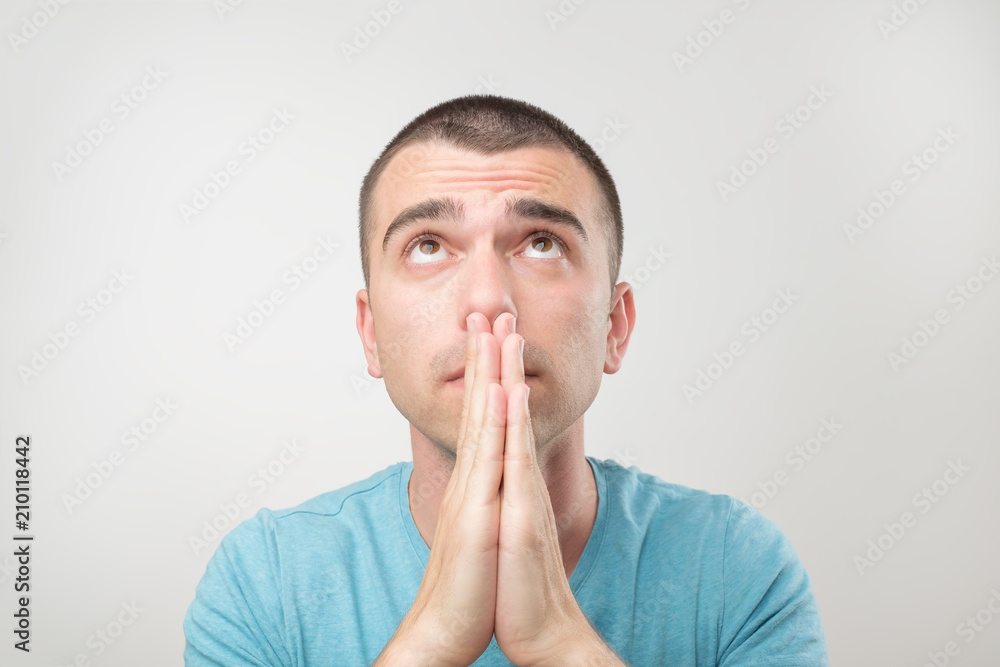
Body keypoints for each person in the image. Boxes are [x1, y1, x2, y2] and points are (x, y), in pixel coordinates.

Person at [183, 94, 830, 666]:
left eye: (542, 243)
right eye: (428, 245)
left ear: (614, 325)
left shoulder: (736, 567)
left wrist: (559, 642)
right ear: (371, 331)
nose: (489, 300)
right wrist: (432, 640)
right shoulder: (265, 579)